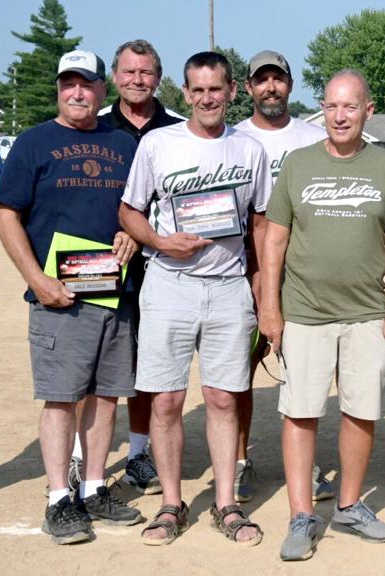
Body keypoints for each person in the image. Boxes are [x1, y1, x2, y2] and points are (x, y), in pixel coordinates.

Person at [259, 69, 385, 561]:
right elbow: (275, 239)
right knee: (301, 412)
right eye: (331, 106)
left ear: (368, 111)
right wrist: (270, 306)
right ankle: (301, 515)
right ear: (321, 109)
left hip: (367, 312)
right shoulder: (298, 165)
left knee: (361, 410)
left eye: (350, 107)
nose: (340, 115)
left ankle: (348, 506)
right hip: (304, 312)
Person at [118, 51, 270, 546]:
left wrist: (262, 286)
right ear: (184, 93)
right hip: (169, 283)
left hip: (229, 288)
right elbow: (129, 212)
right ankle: (170, 503)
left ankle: (226, 503)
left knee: (223, 397)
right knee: (165, 400)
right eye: (197, 90)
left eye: (216, 89)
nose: (207, 98)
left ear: (232, 92)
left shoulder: (249, 150)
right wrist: (161, 242)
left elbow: (262, 224)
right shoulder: (160, 144)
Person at [0, 50, 143, 545]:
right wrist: (35, 279)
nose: (77, 92)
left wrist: (135, 236)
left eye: (86, 84)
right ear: (60, 89)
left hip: (111, 293)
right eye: (68, 84)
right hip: (58, 296)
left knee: (105, 397)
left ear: (104, 91)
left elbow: (140, 208)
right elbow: (7, 215)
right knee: (61, 399)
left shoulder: (124, 144)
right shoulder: (35, 143)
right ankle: (60, 497)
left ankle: (95, 486)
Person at [232, 49, 332, 505]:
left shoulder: (314, 137)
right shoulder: (234, 137)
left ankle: (306, 467)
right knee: (237, 373)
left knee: (305, 375)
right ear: (248, 87)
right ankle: (237, 461)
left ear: (290, 85)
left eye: (278, 79)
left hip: (303, 274)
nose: (270, 87)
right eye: (261, 80)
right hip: (244, 271)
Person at [94, 38, 184, 497]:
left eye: (145, 72)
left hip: (158, 263)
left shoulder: (177, 129)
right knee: (106, 363)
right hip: (100, 262)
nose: (137, 80)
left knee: (152, 364)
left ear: (159, 77)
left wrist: (141, 228)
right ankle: (83, 460)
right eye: (128, 72)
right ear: (115, 76)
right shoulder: (94, 127)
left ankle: (138, 454)